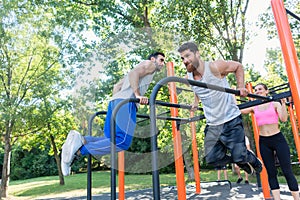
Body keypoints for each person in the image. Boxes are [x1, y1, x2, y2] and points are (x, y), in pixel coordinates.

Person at [61, 52, 166, 176]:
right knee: (122, 142)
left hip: (115, 102)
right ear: (153, 59)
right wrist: (137, 95)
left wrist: (115, 104)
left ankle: (82, 140)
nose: (162, 63)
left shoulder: (140, 69)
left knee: (109, 139)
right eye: (161, 60)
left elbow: (117, 86)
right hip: (126, 103)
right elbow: (134, 74)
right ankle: (78, 152)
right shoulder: (150, 64)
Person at [177, 42, 262, 175]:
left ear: (197, 54)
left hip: (230, 120)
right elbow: (197, 88)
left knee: (239, 155)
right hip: (212, 124)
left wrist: (240, 86)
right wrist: (195, 101)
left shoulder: (214, 67)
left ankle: (250, 159)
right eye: (182, 58)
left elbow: (238, 66)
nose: (185, 61)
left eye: (187, 56)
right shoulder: (189, 77)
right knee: (212, 159)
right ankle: (239, 159)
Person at [241, 83, 299, 200]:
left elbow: (283, 119)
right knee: (271, 173)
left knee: (287, 171)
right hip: (264, 141)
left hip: (277, 139)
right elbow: (240, 109)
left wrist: (283, 104)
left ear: (266, 91)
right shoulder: (254, 106)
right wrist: (234, 95)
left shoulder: (275, 103)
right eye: (256, 90)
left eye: (260, 89)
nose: (257, 91)